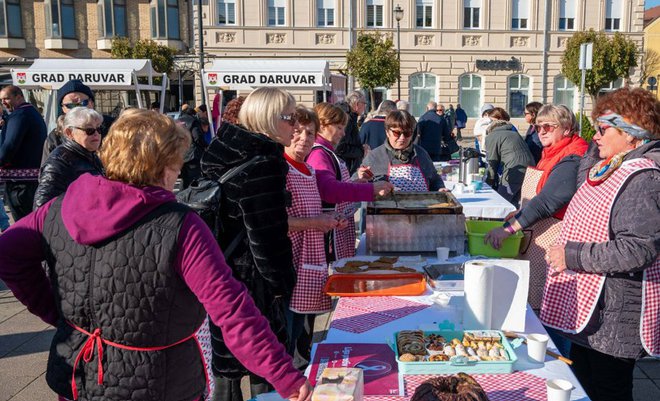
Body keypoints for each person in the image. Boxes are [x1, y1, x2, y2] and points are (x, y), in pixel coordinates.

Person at [0, 109, 311, 401]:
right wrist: (288, 378)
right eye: (177, 163)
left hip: (79, 373)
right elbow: (232, 311)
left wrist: (58, 314)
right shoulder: (180, 224)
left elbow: (9, 252)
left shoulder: (59, 206)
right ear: (164, 166)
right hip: (157, 381)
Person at [541, 87, 660, 401]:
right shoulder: (612, 167)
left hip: (616, 314)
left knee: (608, 390)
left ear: (632, 133)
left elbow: (638, 249)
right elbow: (586, 179)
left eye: (604, 129)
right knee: (585, 384)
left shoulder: (644, 178)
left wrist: (571, 255)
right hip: (596, 311)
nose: (595, 136)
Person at [200, 87, 300, 401]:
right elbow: (266, 237)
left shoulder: (225, 148)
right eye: (290, 117)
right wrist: (283, 283)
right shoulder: (263, 164)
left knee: (226, 372)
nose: (296, 125)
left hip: (218, 272)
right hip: (252, 281)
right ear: (269, 119)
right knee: (265, 369)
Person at [485, 104, 587, 316]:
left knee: (545, 308)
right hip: (536, 236)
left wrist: (507, 229)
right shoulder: (551, 152)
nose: (541, 131)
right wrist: (521, 210)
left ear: (566, 128)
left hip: (553, 241)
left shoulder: (572, 157)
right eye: (538, 126)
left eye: (548, 127)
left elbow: (547, 201)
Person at [284, 106, 347, 370]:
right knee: (286, 340)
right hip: (288, 267)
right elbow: (275, 223)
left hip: (307, 264)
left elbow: (312, 211)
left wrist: (328, 221)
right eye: (298, 132)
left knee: (300, 333)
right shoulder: (282, 170)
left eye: (310, 132)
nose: (304, 138)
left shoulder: (308, 170)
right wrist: (316, 222)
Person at [307, 103, 393, 261]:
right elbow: (330, 191)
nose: (343, 133)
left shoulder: (325, 152)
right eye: (339, 127)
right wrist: (371, 190)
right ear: (324, 125)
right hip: (329, 233)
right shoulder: (319, 154)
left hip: (337, 227)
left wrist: (358, 184)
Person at [354, 110, 445, 192]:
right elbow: (354, 183)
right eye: (396, 133)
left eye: (407, 133)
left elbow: (434, 179)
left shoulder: (421, 154)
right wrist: (361, 178)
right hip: (387, 209)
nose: (402, 138)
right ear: (387, 132)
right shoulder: (375, 156)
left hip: (421, 208)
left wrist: (440, 188)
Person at [34, 107, 105, 208]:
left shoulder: (91, 155)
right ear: (69, 133)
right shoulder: (59, 162)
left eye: (99, 129)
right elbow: (42, 207)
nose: (96, 134)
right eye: (89, 130)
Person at [0, 85, 47, 221]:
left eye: (7, 98)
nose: (3, 102)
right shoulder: (32, 112)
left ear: (19, 97)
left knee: (23, 223)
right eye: (1, 100)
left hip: (20, 183)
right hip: (30, 179)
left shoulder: (20, 115)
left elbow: (9, 146)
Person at [42, 80, 115, 163]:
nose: (77, 109)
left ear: (91, 103)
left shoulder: (112, 128)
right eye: (71, 105)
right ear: (63, 108)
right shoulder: (55, 137)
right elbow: (46, 170)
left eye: (83, 103)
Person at [484, 107, 535, 207]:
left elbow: (492, 161)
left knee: (501, 202)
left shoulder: (492, 136)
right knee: (515, 203)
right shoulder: (513, 132)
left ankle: (499, 222)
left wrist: (488, 182)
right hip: (531, 168)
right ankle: (512, 221)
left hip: (515, 170)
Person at [335, 91, 367, 175]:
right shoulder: (347, 118)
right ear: (357, 104)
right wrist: (361, 151)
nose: (365, 107)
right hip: (342, 166)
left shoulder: (348, 115)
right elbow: (340, 147)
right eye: (364, 103)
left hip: (343, 165)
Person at [177, 105, 207, 188]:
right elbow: (197, 137)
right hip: (192, 155)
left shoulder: (176, 122)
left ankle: (181, 196)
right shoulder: (193, 121)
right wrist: (206, 146)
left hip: (179, 155)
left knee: (184, 178)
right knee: (194, 178)